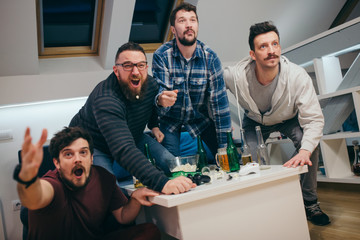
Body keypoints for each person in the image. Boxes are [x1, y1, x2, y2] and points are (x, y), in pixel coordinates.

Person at [224, 21, 330, 226]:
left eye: (275, 44)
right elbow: (212, 87)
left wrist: (305, 151)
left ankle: (310, 202)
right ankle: (260, 204)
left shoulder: (297, 76)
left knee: (309, 144)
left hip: (288, 118)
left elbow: (315, 119)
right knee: (250, 159)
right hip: (254, 121)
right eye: (263, 46)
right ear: (252, 54)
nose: (271, 51)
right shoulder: (234, 76)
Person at [69, 42, 195, 194]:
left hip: (132, 134)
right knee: (111, 191)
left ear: (146, 68)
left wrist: (154, 125)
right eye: (127, 65)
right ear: (116, 70)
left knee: (171, 162)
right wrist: (163, 184)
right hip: (94, 145)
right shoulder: (105, 99)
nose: (135, 71)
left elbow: (151, 104)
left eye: (140, 65)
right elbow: (123, 149)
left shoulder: (151, 85)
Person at [15, 127, 161, 240]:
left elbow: (123, 216)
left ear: (91, 158)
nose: (77, 159)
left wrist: (135, 199)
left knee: (149, 230)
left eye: (83, 152)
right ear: (57, 163)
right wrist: (28, 178)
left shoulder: (104, 178)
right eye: (68, 154)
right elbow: (34, 197)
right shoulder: (52, 184)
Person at [152, 2, 232, 159]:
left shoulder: (211, 57)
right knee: (171, 168)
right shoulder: (161, 55)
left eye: (193, 20)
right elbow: (162, 101)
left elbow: (220, 105)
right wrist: (162, 100)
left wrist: (225, 147)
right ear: (173, 30)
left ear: (197, 26)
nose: (188, 25)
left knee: (228, 157)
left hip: (201, 118)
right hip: (170, 121)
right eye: (182, 20)